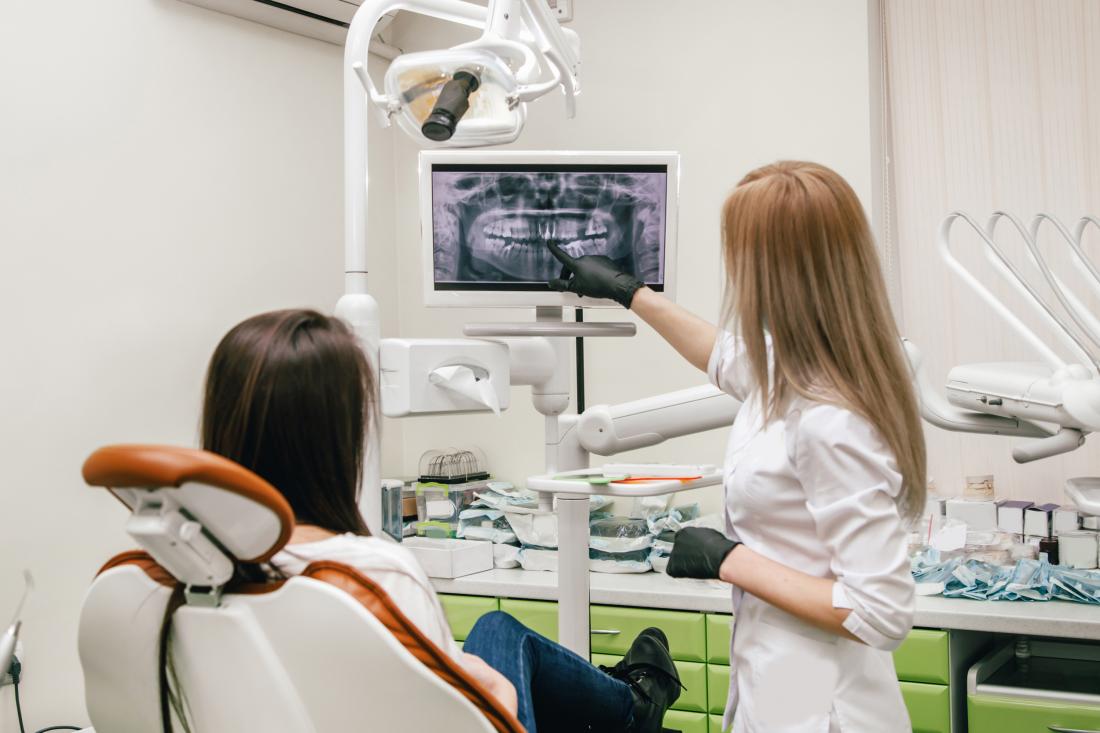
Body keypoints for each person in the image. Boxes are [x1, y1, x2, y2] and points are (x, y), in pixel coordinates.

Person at [549, 161, 925, 733]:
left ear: (778, 271)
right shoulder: (798, 369)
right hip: (776, 683)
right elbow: (723, 357)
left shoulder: (829, 419)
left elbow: (882, 611)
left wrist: (730, 559)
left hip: (824, 710)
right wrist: (630, 293)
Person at [198, 308, 682, 733]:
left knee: (495, 628)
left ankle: (631, 707)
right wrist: (492, 685)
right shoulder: (369, 574)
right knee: (498, 636)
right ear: (340, 437)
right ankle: (634, 707)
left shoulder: (185, 573)